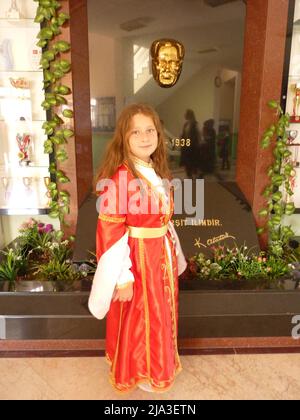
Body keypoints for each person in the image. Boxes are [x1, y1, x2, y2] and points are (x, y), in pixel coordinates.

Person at [92, 104, 187, 394]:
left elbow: (161, 219)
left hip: (159, 256)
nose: (145, 137)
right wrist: (123, 276)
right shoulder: (122, 177)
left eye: (150, 130)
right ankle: (141, 370)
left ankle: (155, 366)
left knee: (159, 315)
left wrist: (174, 253)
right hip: (138, 260)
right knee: (141, 319)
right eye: (137, 132)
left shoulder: (153, 170)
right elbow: (110, 231)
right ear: (125, 137)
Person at [179, 109, 201, 179]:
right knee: (187, 162)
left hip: (193, 147)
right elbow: (184, 135)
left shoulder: (195, 124)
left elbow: (198, 135)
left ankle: (194, 174)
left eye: (186, 114)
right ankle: (189, 175)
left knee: (193, 161)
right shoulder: (186, 124)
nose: (185, 115)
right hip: (186, 146)